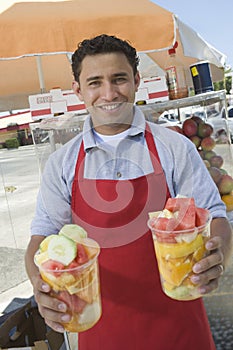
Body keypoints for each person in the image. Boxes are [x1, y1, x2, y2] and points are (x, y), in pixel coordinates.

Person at [25, 34, 232, 350]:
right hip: (99, 329)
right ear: (78, 90)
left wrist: (220, 253)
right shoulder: (62, 163)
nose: (109, 93)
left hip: (180, 327)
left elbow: (214, 215)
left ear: (136, 80)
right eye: (95, 82)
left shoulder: (174, 147)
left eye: (119, 79)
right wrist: (40, 286)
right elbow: (40, 239)